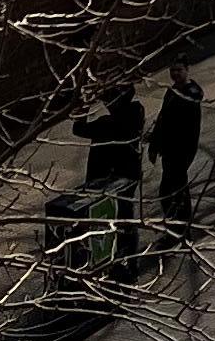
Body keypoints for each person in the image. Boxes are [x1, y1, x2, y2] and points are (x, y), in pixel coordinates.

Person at [71, 75, 146, 271]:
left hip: (112, 178)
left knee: (113, 219)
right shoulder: (135, 112)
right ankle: (128, 259)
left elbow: (78, 129)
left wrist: (84, 107)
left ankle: (116, 259)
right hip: (128, 174)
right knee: (125, 216)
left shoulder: (108, 124)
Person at [150, 58, 204, 238]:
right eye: (172, 70)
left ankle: (181, 226)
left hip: (180, 150)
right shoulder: (174, 91)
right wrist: (154, 141)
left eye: (178, 70)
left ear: (187, 69)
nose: (174, 74)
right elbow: (163, 117)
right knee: (170, 189)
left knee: (174, 188)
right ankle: (177, 224)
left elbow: (176, 119)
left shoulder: (190, 93)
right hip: (170, 149)